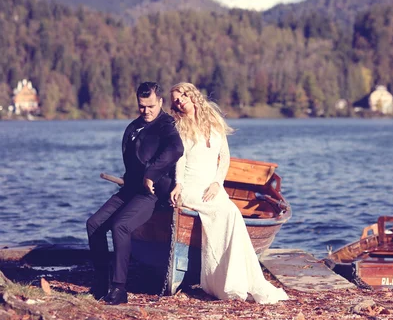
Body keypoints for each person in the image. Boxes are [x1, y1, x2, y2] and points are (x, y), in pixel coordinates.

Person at [169, 82, 288, 304]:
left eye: (182, 95)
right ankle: (224, 283)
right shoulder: (179, 126)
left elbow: (224, 156)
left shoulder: (212, 120)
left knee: (232, 213)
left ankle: (234, 280)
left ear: (192, 94)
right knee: (224, 214)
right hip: (191, 185)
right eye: (176, 100)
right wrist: (178, 184)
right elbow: (180, 159)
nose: (180, 101)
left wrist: (217, 183)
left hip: (212, 185)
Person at [86, 82, 184, 305]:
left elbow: (176, 149)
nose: (146, 111)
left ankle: (119, 289)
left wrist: (152, 173)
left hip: (151, 193)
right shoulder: (133, 126)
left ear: (160, 102)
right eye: (142, 106)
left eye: (150, 106)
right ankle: (102, 283)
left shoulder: (166, 125)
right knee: (93, 224)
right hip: (129, 189)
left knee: (120, 225)